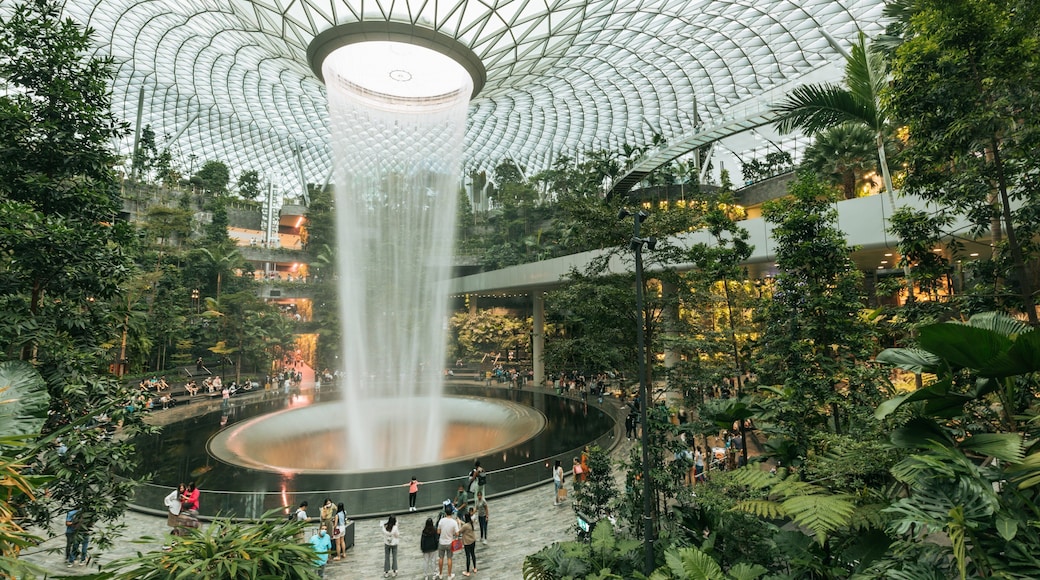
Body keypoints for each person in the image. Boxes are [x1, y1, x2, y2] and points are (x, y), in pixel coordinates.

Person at [436, 504, 460, 580]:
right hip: (450, 542)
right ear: (452, 513)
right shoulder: (453, 522)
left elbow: (438, 532)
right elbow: (457, 533)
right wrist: (459, 524)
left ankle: (440, 574)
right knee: (449, 558)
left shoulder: (441, 521)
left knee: (441, 558)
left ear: (445, 513)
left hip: (442, 542)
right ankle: (449, 575)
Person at [459, 511, 477, 576]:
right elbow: (465, 524)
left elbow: (459, 531)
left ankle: (467, 572)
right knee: (473, 554)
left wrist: (458, 523)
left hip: (467, 543)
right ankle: (475, 568)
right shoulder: (471, 523)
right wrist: (460, 521)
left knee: (468, 556)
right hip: (473, 541)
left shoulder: (465, 526)